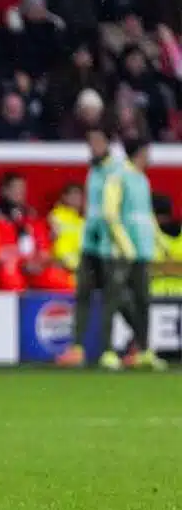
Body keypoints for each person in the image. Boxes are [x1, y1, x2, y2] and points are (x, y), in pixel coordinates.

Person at [101, 138, 167, 371]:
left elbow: (147, 214)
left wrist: (160, 241)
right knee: (113, 300)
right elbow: (110, 214)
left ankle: (144, 350)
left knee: (143, 300)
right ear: (139, 153)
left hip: (142, 250)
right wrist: (125, 244)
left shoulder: (142, 179)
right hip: (121, 252)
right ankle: (107, 351)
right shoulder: (118, 177)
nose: (150, 156)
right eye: (147, 152)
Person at [58, 127, 115, 368]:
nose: (94, 146)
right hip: (90, 244)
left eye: (98, 141)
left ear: (108, 143)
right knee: (83, 294)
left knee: (114, 298)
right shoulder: (93, 171)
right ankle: (78, 348)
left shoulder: (116, 171)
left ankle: (112, 350)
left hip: (110, 244)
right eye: (90, 141)